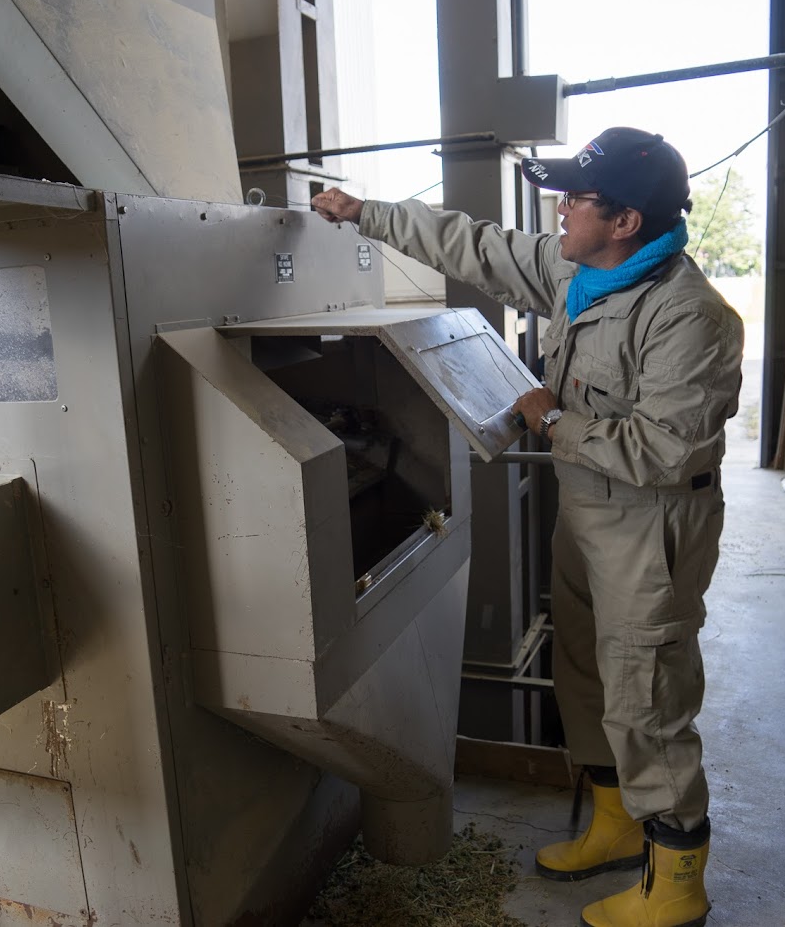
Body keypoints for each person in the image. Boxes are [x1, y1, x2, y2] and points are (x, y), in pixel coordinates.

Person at [312, 127, 742, 927]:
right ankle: (616, 824)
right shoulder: (578, 273)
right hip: (587, 509)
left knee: (645, 690)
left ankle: (678, 879)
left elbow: (662, 447)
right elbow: (476, 245)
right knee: (583, 665)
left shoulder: (691, 318)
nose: (558, 210)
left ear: (624, 222)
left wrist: (551, 420)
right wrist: (365, 212)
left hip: (650, 522)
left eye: (575, 199)